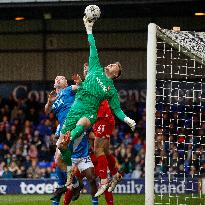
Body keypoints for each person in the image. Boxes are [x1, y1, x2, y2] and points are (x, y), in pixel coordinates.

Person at [58, 16, 136, 190]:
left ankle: (104, 179)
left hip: (90, 112)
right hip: (77, 106)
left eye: (115, 65)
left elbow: (117, 109)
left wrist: (127, 119)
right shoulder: (95, 66)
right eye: (112, 63)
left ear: (116, 74)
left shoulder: (111, 90)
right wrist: (89, 28)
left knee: (82, 126)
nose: (111, 64)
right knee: (60, 145)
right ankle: (71, 170)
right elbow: (93, 46)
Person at [45, 75, 78, 205]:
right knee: (58, 159)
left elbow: (80, 87)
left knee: (59, 158)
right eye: (56, 79)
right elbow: (46, 111)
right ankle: (67, 185)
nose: (58, 79)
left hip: (72, 125)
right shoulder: (55, 98)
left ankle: (73, 184)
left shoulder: (69, 89)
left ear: (66, 83)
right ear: (54, 85)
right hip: (63, 127)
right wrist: (49, 102)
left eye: (62, 78)